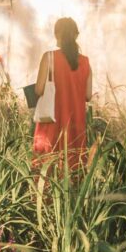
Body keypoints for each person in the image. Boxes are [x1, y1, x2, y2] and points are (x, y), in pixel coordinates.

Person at [33, 18, 92, 171]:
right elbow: (88, 95)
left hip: (51, 121)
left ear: (56, 34)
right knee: (74, 165)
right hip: (75, 123)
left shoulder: (49, 57)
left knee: (47, 166)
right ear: (76, 35)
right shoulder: (85, 62)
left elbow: (39, 90)